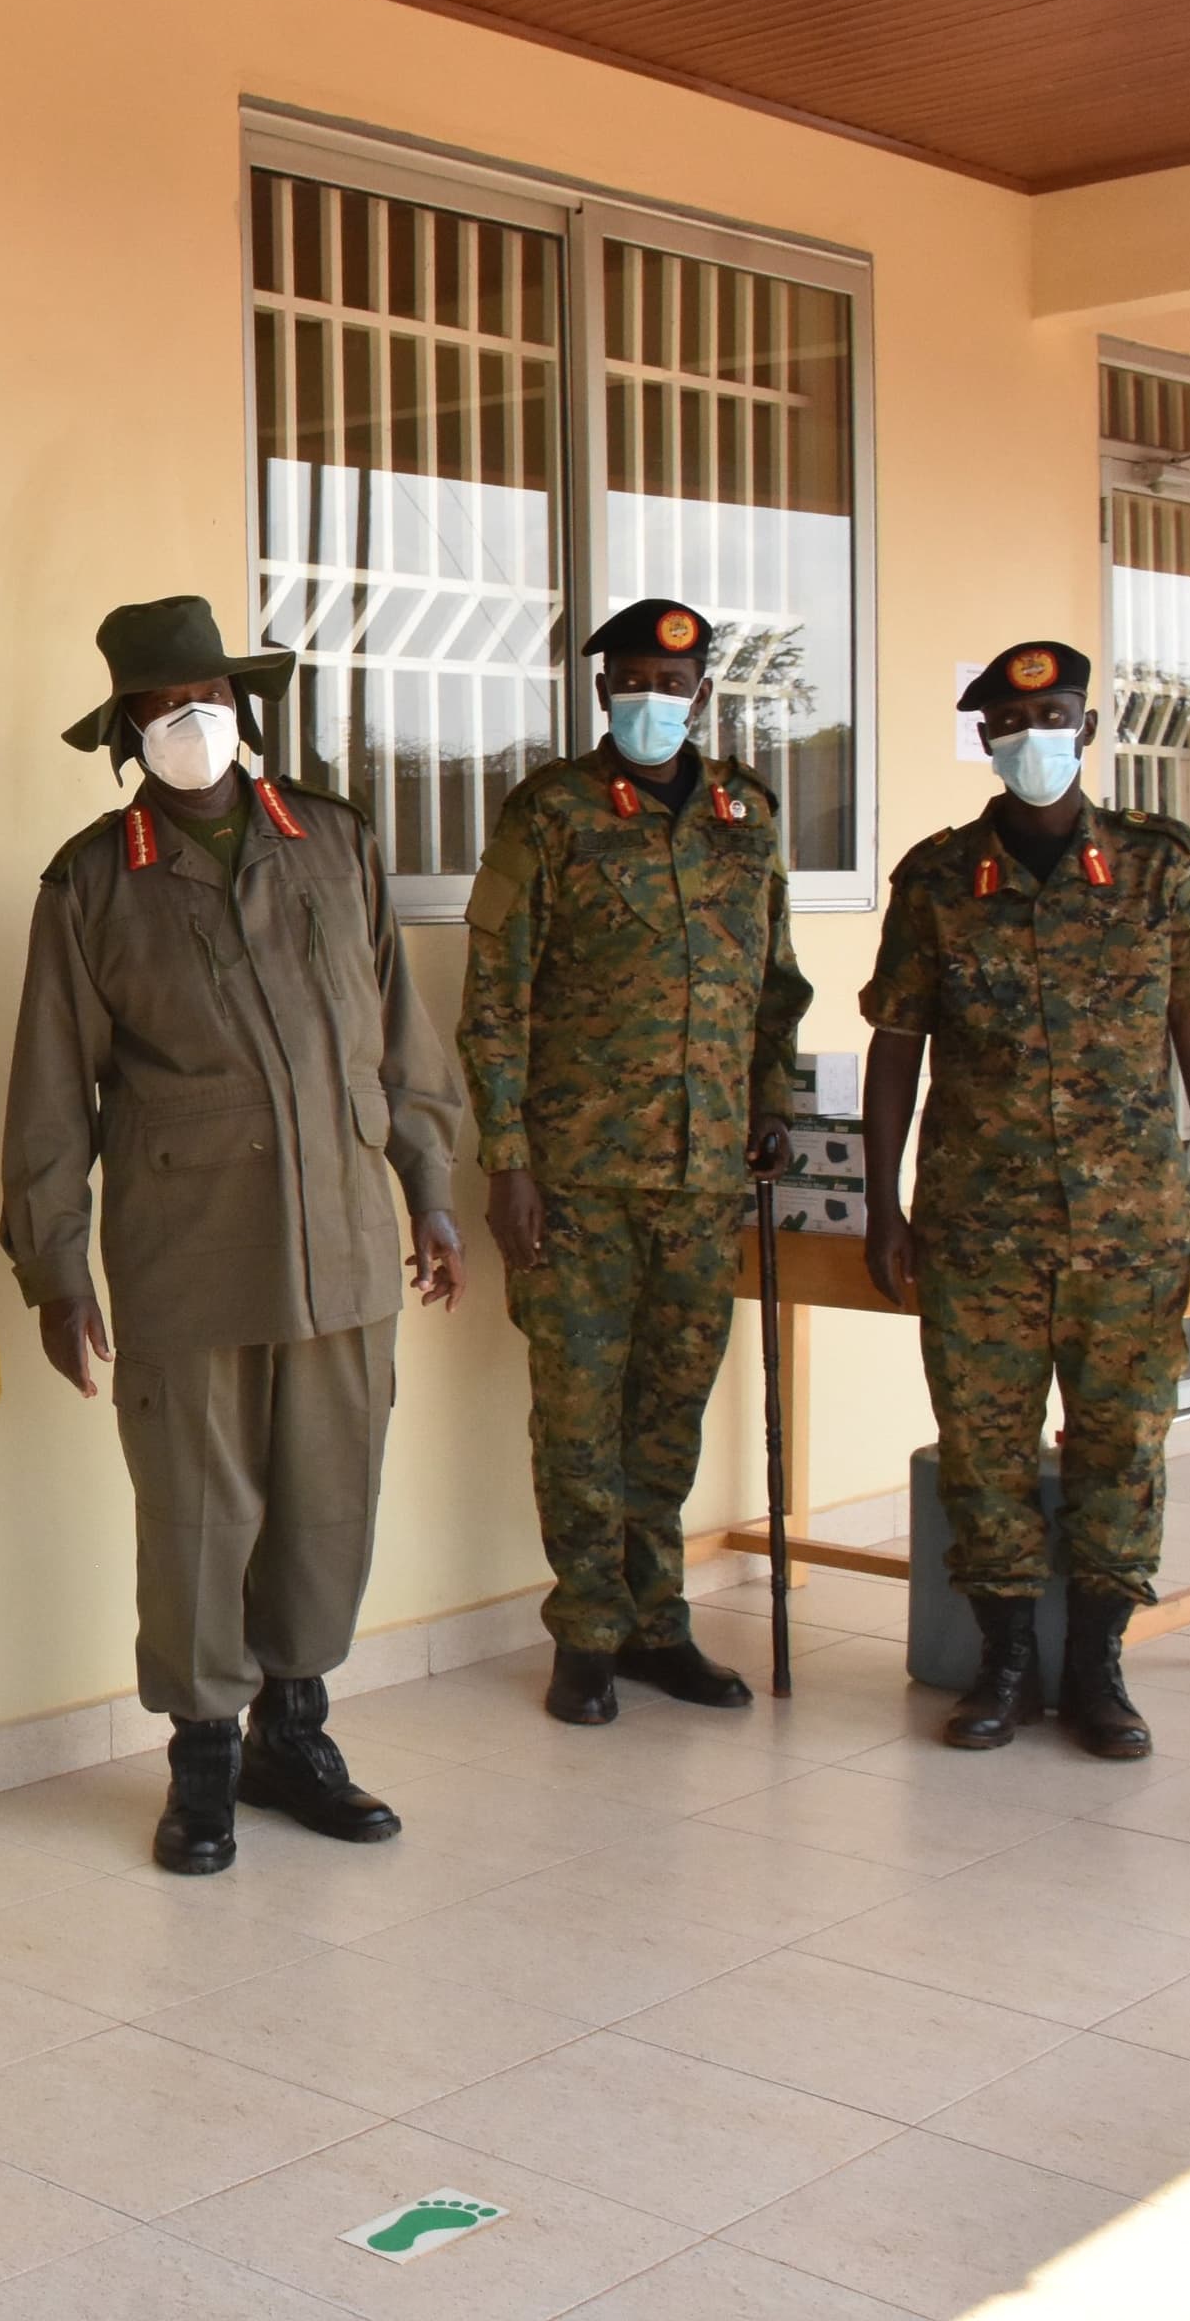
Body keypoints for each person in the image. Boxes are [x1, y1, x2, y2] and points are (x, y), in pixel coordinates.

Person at [0, 596, 467, 1875]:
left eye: (205, 695)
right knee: (200, 1512)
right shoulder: (94, 880)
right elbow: (50, 1089)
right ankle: (203, 1755)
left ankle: (293, 1734)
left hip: (345, 1243)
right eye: (159, 706)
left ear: (242, 704)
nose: (188, 719)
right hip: (188, 1247)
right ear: (127, 732)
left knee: (329, 1501)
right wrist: (54, 1265)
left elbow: (402, 1041)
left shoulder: (333, 842)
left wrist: (430, 1191)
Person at [860, 638, 1190, 1763]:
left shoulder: (1158, 866)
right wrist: (884, 1204)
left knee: (1121, 1440)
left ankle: (1099, 1669)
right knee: (983, 1441)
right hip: (979, 1220)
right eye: (1015, 722)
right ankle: (1005, 1659)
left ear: (1087, 726)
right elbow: (896, 1044)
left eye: (1059, 714)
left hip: (1132, 1219)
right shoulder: (936, 878)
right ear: (988, 738)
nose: (1037, 736)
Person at [459, 597, 812, 1727]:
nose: (654, 701)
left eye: (675, 684)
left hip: (706, 1176)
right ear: (603, 690)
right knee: (576, 1412)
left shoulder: (746, 814)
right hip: (576, 1174)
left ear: (703, 691)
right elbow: (494, 998)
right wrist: (507, 1160)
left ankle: (660, 1621)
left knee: (669, 1407)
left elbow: (777, 983)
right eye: (633, 683)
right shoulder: (550, 812)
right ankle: (588, 1631)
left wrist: (769, 1102)